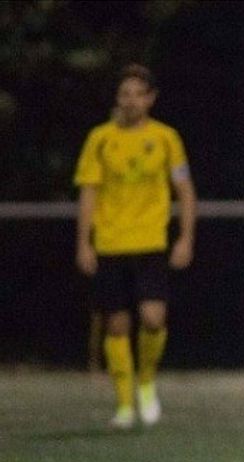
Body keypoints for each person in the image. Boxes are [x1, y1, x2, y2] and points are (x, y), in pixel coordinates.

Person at [74, 63, 197, 429]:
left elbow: (185, 192)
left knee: (153, 317)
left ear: (151, 99)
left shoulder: (165, 138)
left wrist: (186, 238)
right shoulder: (100, 138)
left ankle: (146, 380)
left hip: (150, 242)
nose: (131, 100)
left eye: (138, 94)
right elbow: (88, 194)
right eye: (124, 94)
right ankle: (125, 405)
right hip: (111, 243)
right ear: (117, 98)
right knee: (116, 326)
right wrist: (84, 242)